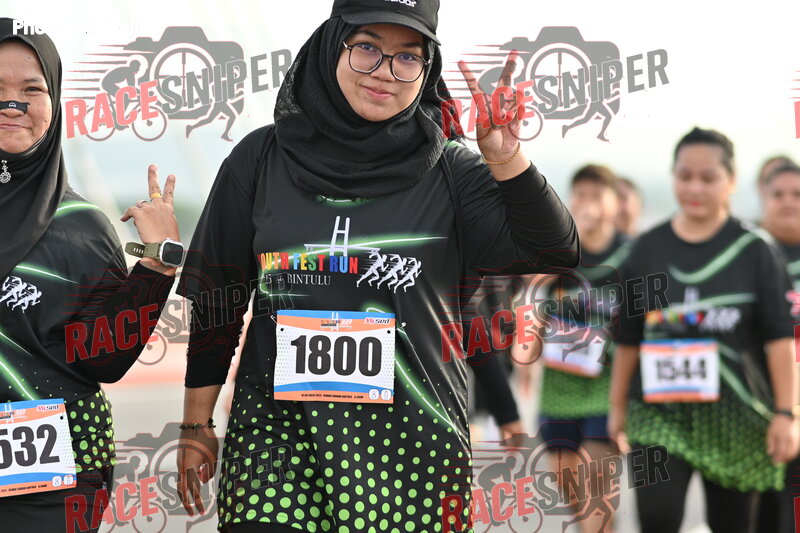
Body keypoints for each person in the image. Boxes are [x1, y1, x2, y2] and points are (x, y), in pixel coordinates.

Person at [174, 1, 579, 531]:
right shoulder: (260, 159)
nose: (386, 71)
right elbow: (218, 300)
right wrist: (196, 423)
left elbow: (553, 253)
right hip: (275, 445)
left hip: (413, 451)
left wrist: (505, 158)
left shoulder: (453, 171)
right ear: (330, 46)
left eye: (408, 57)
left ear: (428, 69)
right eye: (367, 47)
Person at [0, 18, 182, 533]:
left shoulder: (80, 226)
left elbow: (103, 358)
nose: (13, 104)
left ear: (55, 104)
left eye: (32, 90)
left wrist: (156, 266)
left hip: (47, 481)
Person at [608, 127, 800, 533]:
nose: (694, 187)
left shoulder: (756, 251)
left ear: (731, 180)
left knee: (733, 524)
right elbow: (628, 338)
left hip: (737, 415)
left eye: (708, 177)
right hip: (656, 414)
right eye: (685, 176)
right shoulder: (645, 250)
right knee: (657, 516)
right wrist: (617, 408)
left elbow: (779, 340)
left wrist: (787, 414)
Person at [514, 164, 630, 533]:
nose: (588, 202)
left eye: (597, 195)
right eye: (580, 195)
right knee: (567, 482)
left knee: (597, 483)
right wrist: (525, 363)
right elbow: (530, 301)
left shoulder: (630, 255)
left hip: (606, 387)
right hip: (559, 387)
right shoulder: (559, 249)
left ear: (615, 203)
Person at [756, 161, 800, 533]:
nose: (788, 202)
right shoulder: (745, 254)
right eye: (778, 194)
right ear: (762, 196)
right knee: (759, 514)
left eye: (797, 194)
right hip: (755, 404)